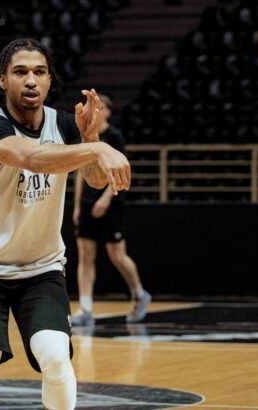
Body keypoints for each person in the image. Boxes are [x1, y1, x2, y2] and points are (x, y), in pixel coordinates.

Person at [0, 38, 131, 410]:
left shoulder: (63, 124)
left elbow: (95, 180)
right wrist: (98, 147)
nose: (31, 80)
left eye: (39, 72)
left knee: (55, 357)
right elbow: (34, 158)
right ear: (3, 80)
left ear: (50, 80)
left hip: (41, 268)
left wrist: (90, 136)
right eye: (20, 72)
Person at [72, 94, 151, 326]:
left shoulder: (114, 136)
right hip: (88, 202)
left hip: (111, 201)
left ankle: (139, 293)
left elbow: (120, 168)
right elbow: (81, 172)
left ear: (107, 111)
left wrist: (106, 198)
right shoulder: (84, 135)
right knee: (85, 255)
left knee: (117, 254)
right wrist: (77, 205)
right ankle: (86, 307)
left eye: (102, 107)